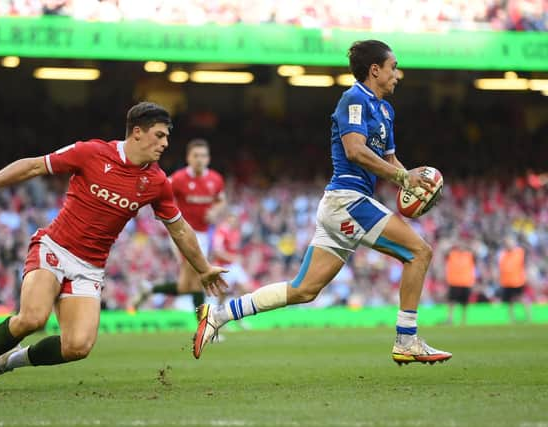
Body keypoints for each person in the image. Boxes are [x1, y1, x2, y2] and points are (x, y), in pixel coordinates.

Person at [193, 40, 452, 365]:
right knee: (420, 252)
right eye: (393, 67)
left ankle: (219, 315)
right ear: (375, 70)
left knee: (304, 290)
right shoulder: (354, 98)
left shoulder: (385, 110)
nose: (397, 74)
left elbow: (390, 158)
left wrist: (411, 182)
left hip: (344, 205)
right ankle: (407, 339)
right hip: (348, 200)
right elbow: (355, 151)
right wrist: (403, 180)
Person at [0, 102, 227, 393]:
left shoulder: (156, 182)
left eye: (167, 137)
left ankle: (6, 362)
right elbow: (35, 164)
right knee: (32, 318)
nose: (165, 143)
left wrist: (203, 269)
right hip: (54, 248)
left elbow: (179, 228)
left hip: (90, 267)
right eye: (160, 135)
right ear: (137, 133)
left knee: (78, 346)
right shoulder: (91, 152)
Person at [131, 139, 225, 311]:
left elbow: (221, 200)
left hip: (205, 235)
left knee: (185, 286)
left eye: (203, 156)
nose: (199, 159)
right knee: (199, 277)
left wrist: (216, 211)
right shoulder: (179, 179)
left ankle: (149, 289)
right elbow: (159, 192)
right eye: (196, 155)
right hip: (183, 235)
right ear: (188, 158)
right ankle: (205, 326)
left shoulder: (215, 179)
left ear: (208, 158)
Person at [498, 236, 530, 322]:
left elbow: (525, 265)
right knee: (510, 302)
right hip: (507, 282)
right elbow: (501, 268)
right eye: (506, 243)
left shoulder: (520, 252)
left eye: (509, 243)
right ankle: (512, 319)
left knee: (522, 299)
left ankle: (528, 317)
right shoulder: (503, 254)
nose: (508, 245)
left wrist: (526, 276)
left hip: (518, 281)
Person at [445, 241, 476, 325]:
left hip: (466, 282)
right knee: (451, 302)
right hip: (454, 282)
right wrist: (452, 245)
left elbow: (475, 255)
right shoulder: (452, 254)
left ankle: (463, 320)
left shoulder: (469, 255)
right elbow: (445, 253)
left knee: (464, 303)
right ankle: (450, 319)